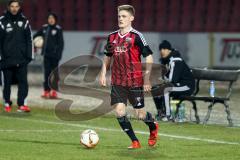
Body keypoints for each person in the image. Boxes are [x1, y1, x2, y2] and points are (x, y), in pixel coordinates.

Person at [99, 5, 158, 149]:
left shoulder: (137, 36)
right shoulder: (112, 37)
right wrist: (102, 72)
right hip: (118, 81)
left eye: (124, 16)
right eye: (119, 16)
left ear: (131, 18)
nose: (120, 19)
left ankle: (153, 126)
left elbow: (149, 58)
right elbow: (107, 57)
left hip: (135, 81)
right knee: (119, 111)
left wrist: (146, 79)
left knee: (140, 115)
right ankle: (134, 141)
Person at [0, 0, 33, 112]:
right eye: (12, 6)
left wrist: (29, 56)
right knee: (7, 84)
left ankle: (22, 104)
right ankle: (7, 103)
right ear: (8, 7)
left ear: (19, 7)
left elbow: (29, 40)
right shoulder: (2, 21)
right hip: (6, 60)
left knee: (23, 83)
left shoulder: (25, 21)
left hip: (21, 59)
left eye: (16, 6)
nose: (14, 8)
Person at [152, 40, 195, 121]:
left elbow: (172, 79)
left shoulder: (175, 60)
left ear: (169, 50)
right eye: (161, 49)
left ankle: (168, 116)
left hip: (187, 86)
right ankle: (161, 113)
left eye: (164, 49)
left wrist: (162, 80)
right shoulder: (166, 61)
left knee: (166, 89)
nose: (162, 51)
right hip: (178, 85)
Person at [33, 13, 64, 99]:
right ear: (47, 19)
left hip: (55, 56)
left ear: (55, 20)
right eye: (49, 18)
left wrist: (59, 55)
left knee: (54, 74)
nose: (51, 19)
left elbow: (61, 44)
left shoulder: (58, 29)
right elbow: (35, 36)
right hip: (46, 55)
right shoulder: (44, 28)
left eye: (52, 18)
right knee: (46, 74)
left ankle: (54, 91)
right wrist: (35, 44)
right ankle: (46, 91)